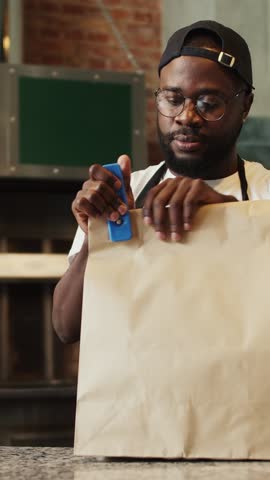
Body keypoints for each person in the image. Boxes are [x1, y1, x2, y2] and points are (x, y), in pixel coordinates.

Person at [52, 19, 270, 344]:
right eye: (172, 99)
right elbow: (66, 327)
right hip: (143, 395)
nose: (186, 116)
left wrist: (228, 216)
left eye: (208, 104)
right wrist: (95, 238)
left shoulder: (263, 193)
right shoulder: (130, 192)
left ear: (245, 106)